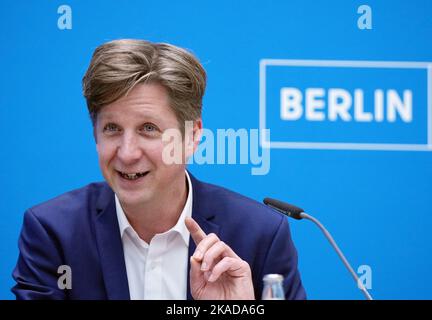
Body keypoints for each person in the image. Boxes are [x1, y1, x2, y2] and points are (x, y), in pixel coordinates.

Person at [11, 39, 306, 300]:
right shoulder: (54, 233)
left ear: (191, 137)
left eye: (148, 129)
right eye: (112, 128)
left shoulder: (260, 236)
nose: (127, 153)